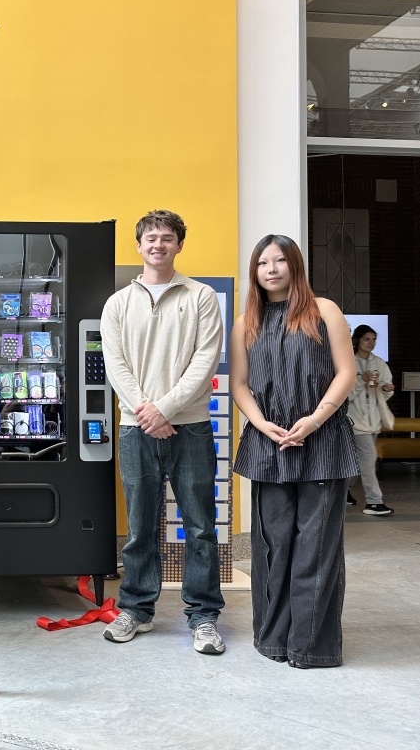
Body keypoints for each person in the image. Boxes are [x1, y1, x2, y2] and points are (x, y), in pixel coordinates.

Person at [100, 209, 226, 655]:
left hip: (189, 427)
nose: (158, 245)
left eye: (167, 238)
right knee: (139, 527)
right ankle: (136, 608)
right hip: (135, 430)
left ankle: (204, 616)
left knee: (200, 527)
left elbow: (205, 360)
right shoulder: (118, 304)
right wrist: (146, 412)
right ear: (138, 246)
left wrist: (165, 409)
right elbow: (116, 365)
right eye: (150, 238)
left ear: (178, 245)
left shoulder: (202, 297)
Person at [231, 234, 359, 669]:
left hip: (322, 441)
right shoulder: (246, 320)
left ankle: (312, 647)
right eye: (263, 262)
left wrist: (315, 419)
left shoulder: (325, 311)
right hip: (269, 446)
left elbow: (346, 372)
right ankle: (273, 641)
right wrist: (262, 424)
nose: (271, 269)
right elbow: (239, 385)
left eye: (279, 260)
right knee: (272, 548)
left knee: (316, 547)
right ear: (255, 271)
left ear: (295, 265)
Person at [347, 325, 395, 516]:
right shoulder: (349, 362)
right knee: (368, 460)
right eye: (367, 339)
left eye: (374, 339)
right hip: (355, 419)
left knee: (360, 462)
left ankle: (343, 492)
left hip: (374, 419)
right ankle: (374, 502)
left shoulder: (379, 363)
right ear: (358, 340)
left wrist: (386, 389)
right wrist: (361, 381)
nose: (371, 343)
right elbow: (345, 394)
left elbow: (385, 389)